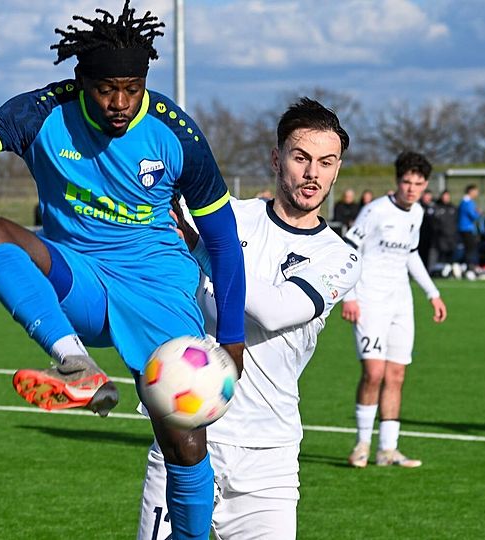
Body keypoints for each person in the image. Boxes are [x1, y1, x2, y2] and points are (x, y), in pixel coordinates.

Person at [0, 3, 246, 537]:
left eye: (133, 89)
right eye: (107, 88)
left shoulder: (175, 133)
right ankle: (75, 362)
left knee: (185, 441)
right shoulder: (42, 113)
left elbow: (224, 242)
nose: (121, 103)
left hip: (159, 288)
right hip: (79, 278)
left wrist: (232, 338)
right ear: (80, 79)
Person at [138, 98, 360, 540]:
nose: (312, 173)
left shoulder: (341, 256)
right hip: (186, 434)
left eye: (326, 162)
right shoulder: (228, 217)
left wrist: (206, 249)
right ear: (277, 159)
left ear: (337, 170)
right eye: (301, 158)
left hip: (268, 457)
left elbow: (276, 311)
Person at [343, 150, 447, 469]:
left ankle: (388, 450)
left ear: (425, 184)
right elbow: (349, 248)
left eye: (418, 183)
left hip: (401, 302)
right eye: (406, 182)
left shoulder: (417, 213)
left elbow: (412, 254)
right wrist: (349, 295)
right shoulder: (374, 210)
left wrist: (433, 293)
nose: (411, 189)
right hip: (370, 300)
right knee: (373, 373)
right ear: (397, 181)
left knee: (397, 374)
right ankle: (362, 444)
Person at [433, 190, 459, 277]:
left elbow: (456, 221)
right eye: (444, 196)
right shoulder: (437, 207)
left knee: (452, 255)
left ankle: (451, 272)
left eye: (447, 196)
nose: (446, 198)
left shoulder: (453, 208)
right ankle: (441, 273)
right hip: (441, 237)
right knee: (442, 255)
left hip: (452, 236)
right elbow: (435, 222)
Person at [458, 184, 481, 279]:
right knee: (470, 250)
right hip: (466, 229)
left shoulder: (465, 201)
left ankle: (468, 267)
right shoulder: (467, 202)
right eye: (476, 191)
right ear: (471, 191)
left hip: (466, 229)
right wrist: (478, 212)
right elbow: (474, 215)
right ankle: (469, 269)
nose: (477, 193)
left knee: (469, 249)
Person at [417, 189, 436, 270]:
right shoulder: (417, 206)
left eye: (429, 196)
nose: (427, 198)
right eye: (426, 196)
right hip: (418, 235)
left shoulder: (433, 207)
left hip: (430, 236)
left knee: (428, 255)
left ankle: (427, 270)